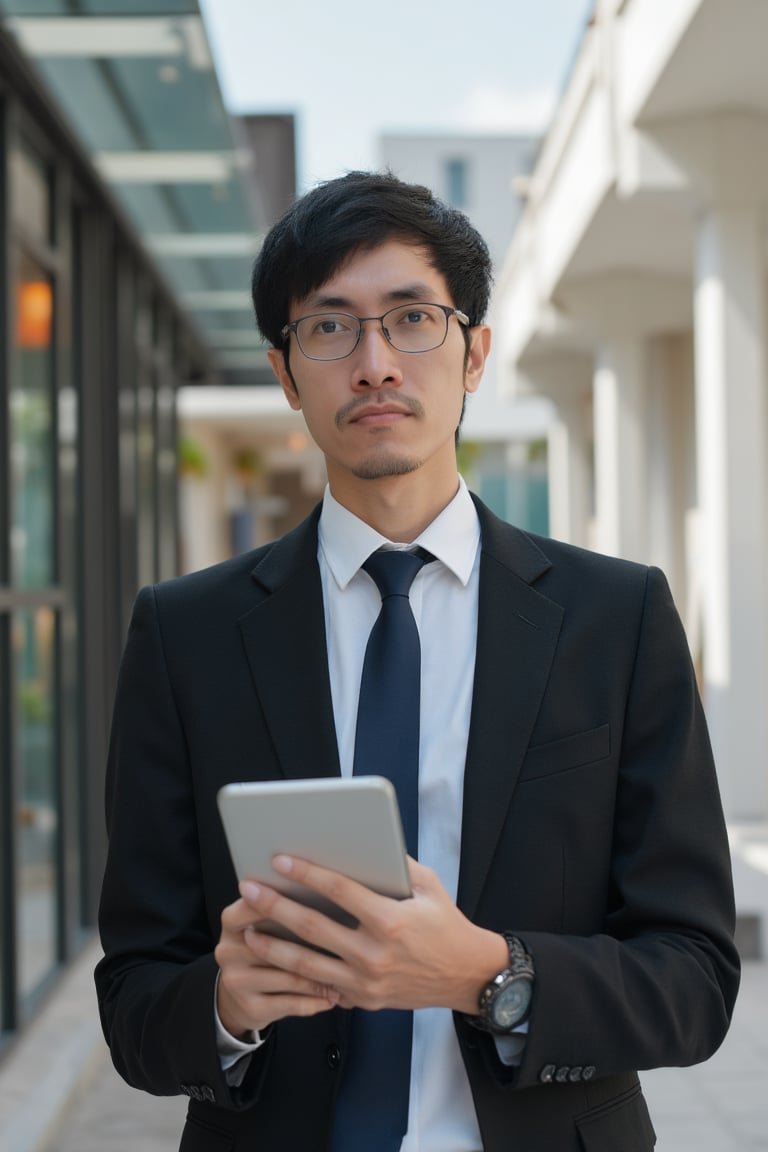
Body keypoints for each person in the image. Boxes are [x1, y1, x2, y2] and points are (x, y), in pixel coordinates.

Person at [95, 171, 739, 1152]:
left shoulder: (617, 618)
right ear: (285, 372)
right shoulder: (185, 635)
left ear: (475, 352)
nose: (376, 363)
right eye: (331, 327)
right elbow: (136, 998)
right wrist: (225, 1005)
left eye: (412, 318)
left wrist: (488, 974)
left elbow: (695, 980)